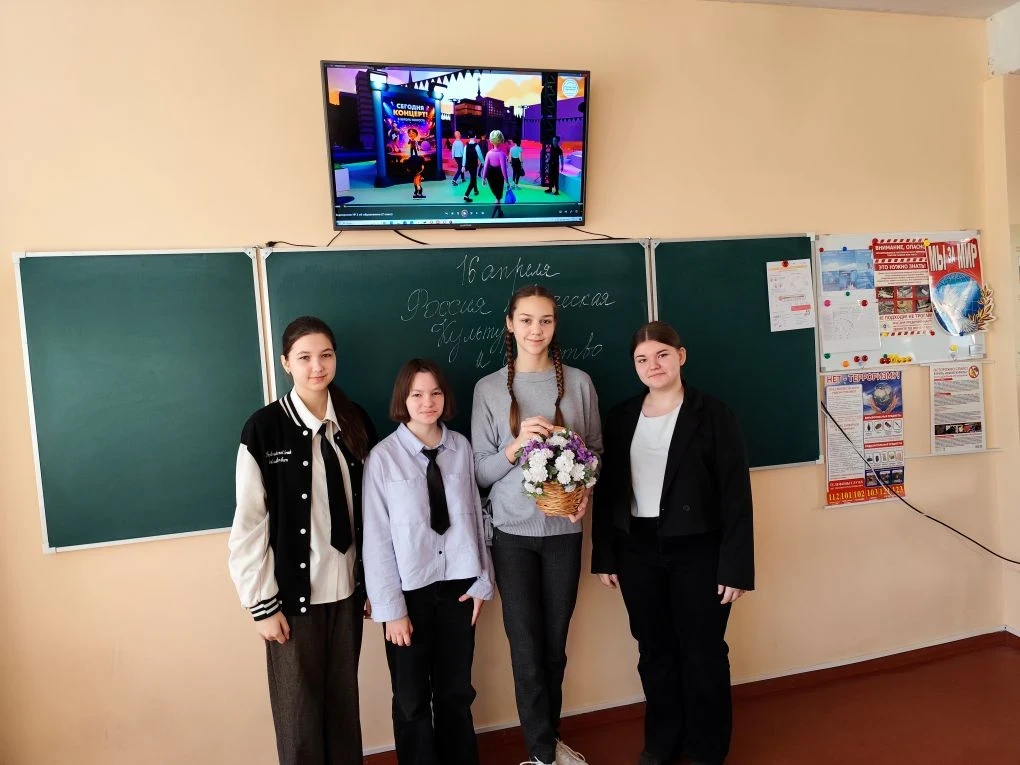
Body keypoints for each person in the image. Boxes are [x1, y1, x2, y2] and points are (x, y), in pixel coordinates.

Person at [591, 321, 754, 765]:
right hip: (637, 549)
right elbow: (609, 492)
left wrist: (735, 568)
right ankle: (662, 742)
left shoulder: (713, 413)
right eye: (642, 359)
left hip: (699, 549)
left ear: (681, 356)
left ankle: (705, 749)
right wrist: (605, 554)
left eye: (662, 354)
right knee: (654, 651)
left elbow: (735, 494)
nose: (653, 365)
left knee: (702, 652)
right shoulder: (621, 417)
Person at [228, 315, 378, 765]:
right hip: (293, 602)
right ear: (285, 363)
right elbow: (249, 525)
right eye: (305, 357)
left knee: (343, 712)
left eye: (326, 355)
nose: (317, 366)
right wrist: (262, 606)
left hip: (347, 593)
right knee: (299, 720)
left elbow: (374, 511)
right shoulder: (263, 429)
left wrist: (374, 583)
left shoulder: (354, 419)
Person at [471, 284, 603, 765]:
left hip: (564, 534)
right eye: (526, 320)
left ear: (555, 325)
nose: (536, 330)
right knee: (526, 651)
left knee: (554, 648)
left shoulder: (580, 383)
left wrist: (583, 491)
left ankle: (548, 743)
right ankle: (542, 753)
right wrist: (514, 447)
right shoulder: (488, 389)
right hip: (511, 537)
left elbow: (596, 454)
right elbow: (479, 472)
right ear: (510, 324)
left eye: (545, 320)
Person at [363, 358, 494, 765]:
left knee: (456, 692)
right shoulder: (383, 457)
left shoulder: (461, 448)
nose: (427, 402)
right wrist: (391, 610)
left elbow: (476, 516)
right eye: (417, 394)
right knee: (411, 698)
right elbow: (376, 539)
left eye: (435, 392)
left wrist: (483, 581)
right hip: (409, 595)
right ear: (402, 399)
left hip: (459, 587)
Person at [480, 129, 511, 218]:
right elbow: (503, 170)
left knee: (497, 196)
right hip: (498, 176)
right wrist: (507, 181)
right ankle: (492, 217)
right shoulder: (502, 154)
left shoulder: (489, 154)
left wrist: (484, 178)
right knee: (498, 198)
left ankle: (500, 212)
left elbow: (485, 167)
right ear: (501, 140)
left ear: (491, 141)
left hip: (490, 176)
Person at [462, 134, 483, 202]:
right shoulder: (476, 146)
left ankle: (475, 190)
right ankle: (466, 195)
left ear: (468, 137)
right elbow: (480, 156)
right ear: (475, 137)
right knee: (473, 180)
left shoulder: (466, 146)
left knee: (473, 177)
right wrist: (484, 163)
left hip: (468, 165)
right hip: (474, 165)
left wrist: (463, 166)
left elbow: (464, 156)